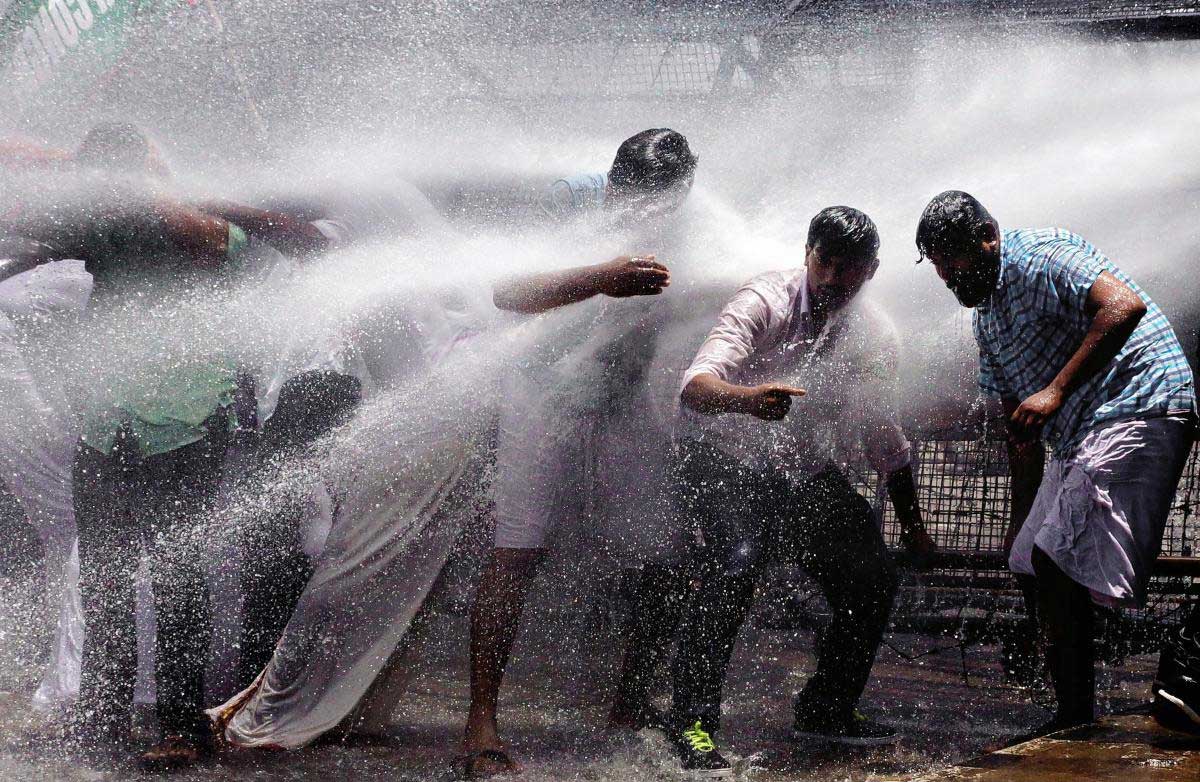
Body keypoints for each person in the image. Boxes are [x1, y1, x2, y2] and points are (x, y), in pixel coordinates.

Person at [17, 121, 339, 770]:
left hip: (186, 422)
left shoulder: (195, 220)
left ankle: (180, 725)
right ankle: (103, 715)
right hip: (107, 424)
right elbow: (32, 237)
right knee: (106, 580)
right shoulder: (102, 226)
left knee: (177, 581)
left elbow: (275, 242)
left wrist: (153, 193)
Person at [660, 206, 934, 776]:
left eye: (848, 267)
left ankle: (827, 708)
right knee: (736, 563)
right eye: (823, 261)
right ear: (807, 254)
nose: (832, 278)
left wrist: (913, 528)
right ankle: (691, 722)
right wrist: (748, 400)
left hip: (798, 470)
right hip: (721, 454)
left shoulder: (874, 334)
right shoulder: (764, 300)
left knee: (872, 574)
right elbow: (695, 386)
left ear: (871, 270)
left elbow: (882, 433)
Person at [457, 128, 696, 779]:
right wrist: (600, 278)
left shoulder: (695, 220)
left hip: (625, 392)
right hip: (543, 385)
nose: (644, 213)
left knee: (666, 554)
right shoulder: (568, 199)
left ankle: (630, 704)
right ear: (613, 184)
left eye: (661, 204)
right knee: (517, 548)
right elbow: (508, 291)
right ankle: (481, 720)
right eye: (631, 198)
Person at [916, 190, 1196, 736]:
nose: (948, 276)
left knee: (1054, 561)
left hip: (1141, 401)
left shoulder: (1040, 254)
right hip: (1082, 430)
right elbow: (1020, 432)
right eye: (939, 265)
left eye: (955, 259)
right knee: (1027, 557)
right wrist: (1018, 517)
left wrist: (1055, 390)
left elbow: (1124, 306)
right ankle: (1070, 679)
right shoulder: (986, 322)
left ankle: (1074, 717)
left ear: (988, 238)